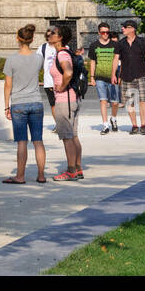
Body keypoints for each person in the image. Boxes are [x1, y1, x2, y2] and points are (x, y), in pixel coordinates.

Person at [2, 24, 47, 184]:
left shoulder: (11, 60)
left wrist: (7, 105)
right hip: (36, 102)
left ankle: (20, 176)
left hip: (19, 104)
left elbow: (8, 85)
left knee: (22, 142)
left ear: (17, 39)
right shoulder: (38, 58)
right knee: (38, 141)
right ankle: (41, 175)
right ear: (32, 39)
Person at [50, 30, 84, 180]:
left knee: (67, 137)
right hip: (73, 98)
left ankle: (70, 171)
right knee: (73, 135)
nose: (49, 34)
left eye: (53, 33)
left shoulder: (62, 54)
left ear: (60, 37)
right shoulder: (67, 52)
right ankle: (77, 168)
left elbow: (68, 72)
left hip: (65, 100)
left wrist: (62, 86)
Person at [112, 20, 145, 135]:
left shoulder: (143, 42)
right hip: (126, 76)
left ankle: (143, 125)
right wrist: (113, 74)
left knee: (142, 100)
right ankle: (134, 125)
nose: (123, 29)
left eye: (125, 27)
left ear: (132, 29)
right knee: (129, 103)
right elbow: (116, 59)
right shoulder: (120, 43)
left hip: (140, 74)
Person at [88, 22, 120, 134]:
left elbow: (120, 61)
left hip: (113, 77)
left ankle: (113, 118)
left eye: (107, 32)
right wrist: (92, 77)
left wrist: (119, 75)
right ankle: (105, 125)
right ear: (99, 33)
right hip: (99, 77)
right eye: (103, 32)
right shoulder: (94, 45)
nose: (105, 34)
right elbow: (92, 62)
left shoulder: (115, 45)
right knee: (103, 101)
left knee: (115, 102)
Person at [39, 26, 60, 132]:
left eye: (52, 34)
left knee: (63, 104)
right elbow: (37, 64)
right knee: (53, 105)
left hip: (61, 81)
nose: (49, 37)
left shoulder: (64, 47)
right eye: (47, 35)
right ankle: (58, 124)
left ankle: (65, 124)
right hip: (49, 82)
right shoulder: (42, 48)